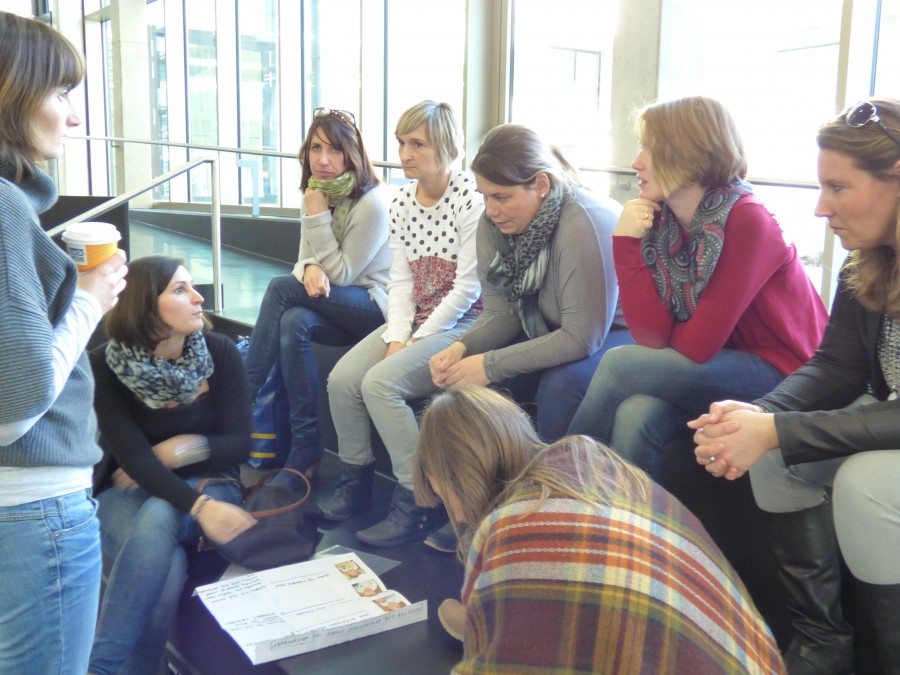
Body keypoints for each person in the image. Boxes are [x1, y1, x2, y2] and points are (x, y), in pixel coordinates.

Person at [690, 98, 900, 675]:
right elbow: (835, 366)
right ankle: (821, 645)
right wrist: (758, 416)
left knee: (863, 483)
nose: (820, 207)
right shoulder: (867, 263)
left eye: (838, 188)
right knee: (774, 455)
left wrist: (777, 428)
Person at [414, 385, 785, 674]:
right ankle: (492, 618)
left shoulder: (515, 528)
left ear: (456, 476)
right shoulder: (598, 470)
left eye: (440, 491)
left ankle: (494, 620)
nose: (452, 512)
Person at [567, 96, 828, 481]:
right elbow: (651, 336)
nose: (636, 162)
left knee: (620, 363)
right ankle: (630, 518)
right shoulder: (664, 222)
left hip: (784, 372)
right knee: (636, 413)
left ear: (688, 154)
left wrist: (627, 250)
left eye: (649, 148)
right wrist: (626, 243)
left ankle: (554, 479)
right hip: (722, 365)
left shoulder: (748, 219)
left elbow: (697, 346)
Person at [0, 12, 128, 674]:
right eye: (60, 93)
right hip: (34, 508)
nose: (72, 116)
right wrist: (89, 300)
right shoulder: (4, 208)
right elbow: (14, 408)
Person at [321, 101, 483, 547]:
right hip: (414, 319)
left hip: (463, 323)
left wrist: (415, 339)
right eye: (401, 143)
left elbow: (468, 288)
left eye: (417, 144)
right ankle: (355, 480)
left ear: (446, 147)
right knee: (342, 380)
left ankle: (421, 499)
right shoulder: (402, 201)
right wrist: (397, 336)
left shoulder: (471, 200)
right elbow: (401, 280)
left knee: (380, 384)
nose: (405, 154)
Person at [88, 256, 256, 675]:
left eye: (193, 286)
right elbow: (132, 460)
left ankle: (98, 668)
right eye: (180, 290)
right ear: (146, 308)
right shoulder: (103, 364)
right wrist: (194, 503)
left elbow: (240, 443)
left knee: (160, 513)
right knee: (166, 571)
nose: (199, 298)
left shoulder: (219, 351)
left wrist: (184, 449)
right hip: (128, 490)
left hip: (211, 481)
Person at [429, 123, 628, 441]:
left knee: (559, 387)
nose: (490, 210)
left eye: (501, 197)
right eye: (485, 196)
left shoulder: (583, 224)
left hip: (616, 333)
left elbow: (581, 339)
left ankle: (554, 473)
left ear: (541, 184)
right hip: (553, 326)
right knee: (468, 385)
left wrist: (490, 365)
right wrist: (461, 347)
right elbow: (502, 312)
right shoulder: (493, 222)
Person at [243, 107, 390, 477]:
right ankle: (306, 446)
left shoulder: (373, 203)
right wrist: (309, 267)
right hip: (338, 303)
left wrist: (317, 218)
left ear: (353, 154)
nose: (323, 160)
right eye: (315, 148)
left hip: (375, 306)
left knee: (280, 289)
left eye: (335, 150)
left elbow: (341, 273)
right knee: (294, 320)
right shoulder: (316, 193)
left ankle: (240, 398)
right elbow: (304, 258)